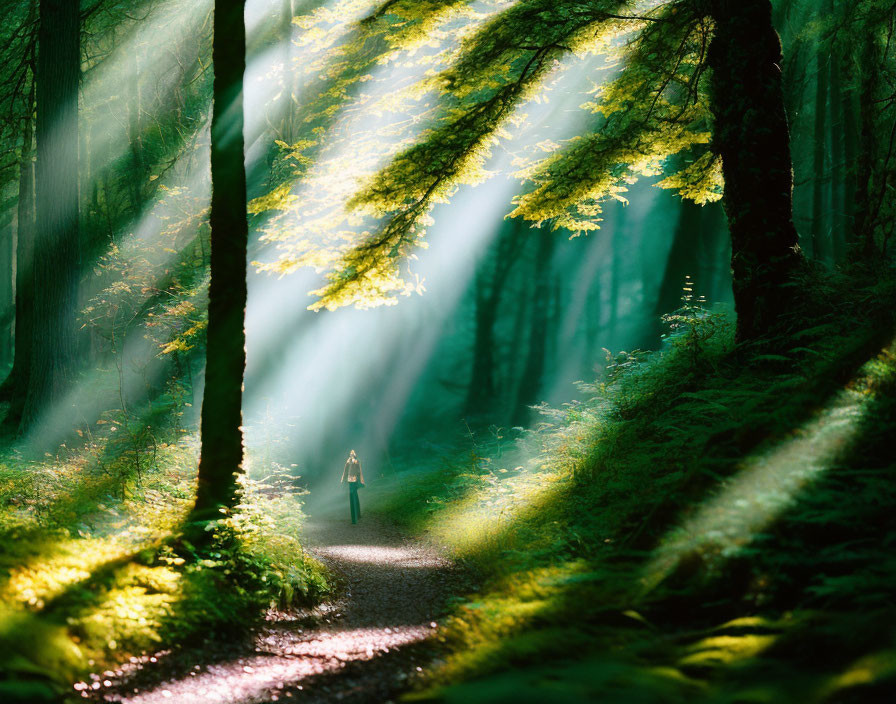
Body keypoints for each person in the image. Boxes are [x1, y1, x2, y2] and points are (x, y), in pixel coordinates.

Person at [340, 449, 365, 524]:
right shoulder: (348, 461)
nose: (351, 454)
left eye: (353, 454)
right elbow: (345, 470)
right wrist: (343, 478)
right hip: (350, 481)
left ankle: (355, 519)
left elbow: (360, 471)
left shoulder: (357, 461)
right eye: (350, 454)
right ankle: (357, 516)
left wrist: (361, 480)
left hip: (355, 480)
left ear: (355, 454)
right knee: (353, 495)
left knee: (353, 495)